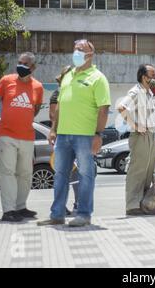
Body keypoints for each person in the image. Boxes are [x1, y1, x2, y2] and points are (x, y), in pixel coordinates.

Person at [38, 39, 111, 227]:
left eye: (81, 50)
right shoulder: (68, 75)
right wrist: (54, 129)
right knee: (60, 174)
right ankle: (57, 214)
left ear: (90, 54)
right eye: (75, 49)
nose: (76, 52)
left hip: (85, 136)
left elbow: (104, 109)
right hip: (63, 135)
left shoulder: (97, 77)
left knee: (86, 175)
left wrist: (98, 134)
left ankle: (84, 214)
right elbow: (61, 104)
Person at [0, 52, 44, 223]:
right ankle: (8, 210)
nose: (21, 65)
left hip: (27, 136)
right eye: (19, 62)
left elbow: (36, 109)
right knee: (7, 172)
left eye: (25, 63)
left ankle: (20, 206)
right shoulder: (6, 80)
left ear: (33, 67)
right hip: (7, 134)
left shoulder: (38, 86)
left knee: (25, 173)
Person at [118, 64, 155, 216]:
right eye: (152, 75)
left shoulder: (148, 93)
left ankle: (142, 203)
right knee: (137, 171)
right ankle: (132, 205)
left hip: (150, 135)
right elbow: (121, 108)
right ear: (144, 76)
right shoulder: (135, 91)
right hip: (140, 136)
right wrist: (135, 126)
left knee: (147, 172)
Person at [49, 65, 79, 216]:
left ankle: (78, 204)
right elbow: (53, 116)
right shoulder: (57, 94)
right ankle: (60, 206)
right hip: (63, 137)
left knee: (77, 173)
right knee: (63, 174)